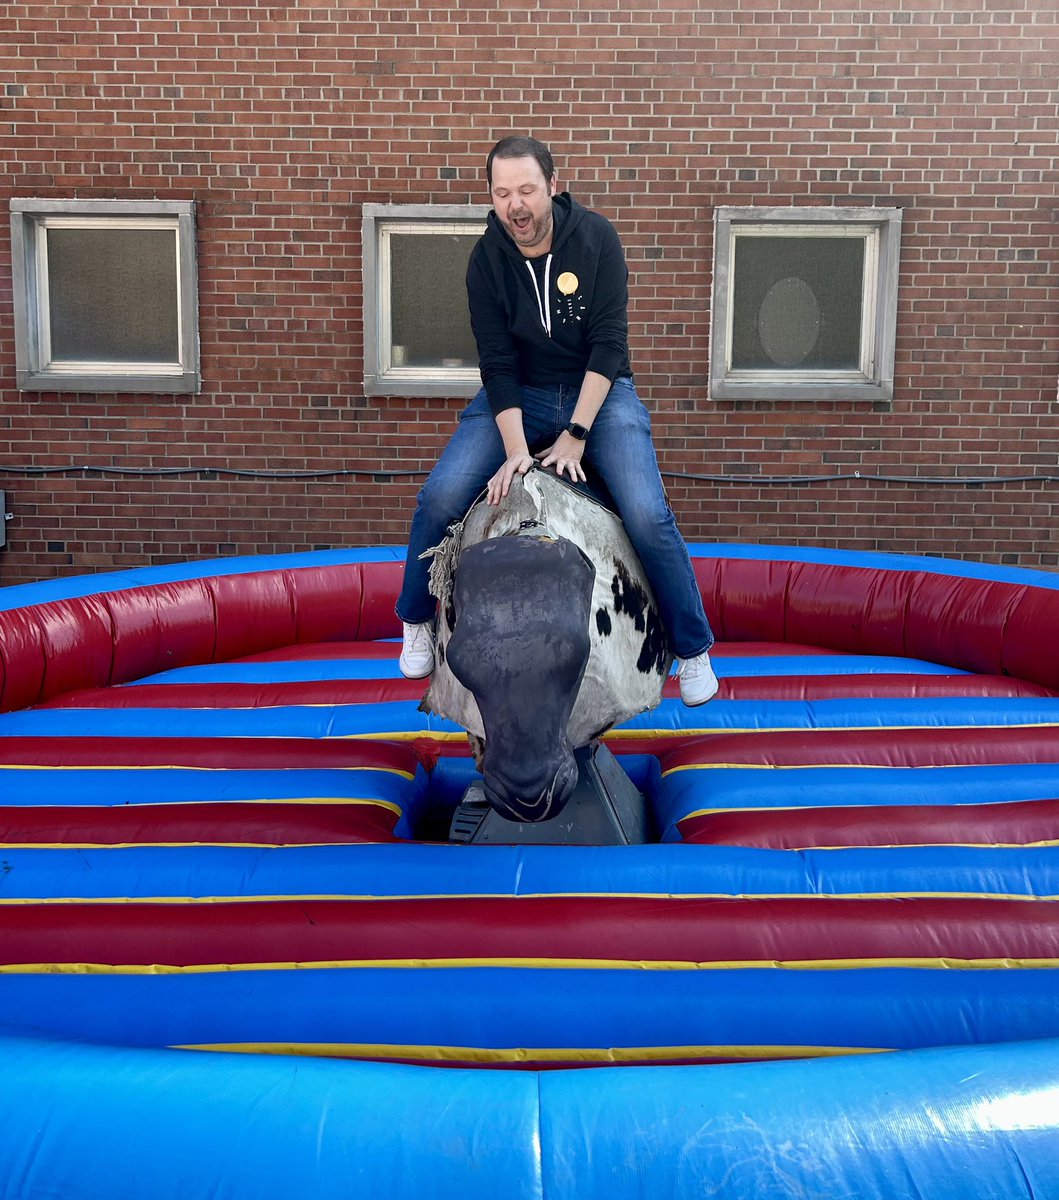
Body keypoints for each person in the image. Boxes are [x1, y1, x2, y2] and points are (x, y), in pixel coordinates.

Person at [396, 134, 718, 706]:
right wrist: (516, 450)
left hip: (600, 389)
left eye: (526, 190)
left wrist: (576, 436)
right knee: (440, 495)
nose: (515, 205)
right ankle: (416, 617)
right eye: (502, 194)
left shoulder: (596, 239)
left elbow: (609, 346)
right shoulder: (485, 260)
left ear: (552, 185)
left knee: (647, 514)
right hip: (521, 391)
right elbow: (496, 362)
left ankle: (692, 650)